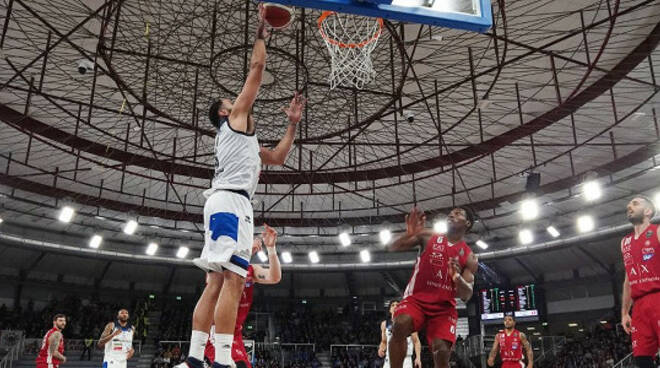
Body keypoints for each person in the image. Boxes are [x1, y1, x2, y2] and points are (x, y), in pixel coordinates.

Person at [179, 3, 304, 368]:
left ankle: (194, 358)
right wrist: (261, 34)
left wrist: (292, 124)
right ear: (223, 112)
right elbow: (257, 69)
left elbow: (278, 157)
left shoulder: (243, 139)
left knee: (218, 282)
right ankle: (218, 359)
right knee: (231, 280)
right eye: (230, 102)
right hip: (231, 203)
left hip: (229, 203)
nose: (236, 101)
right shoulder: (235, 121)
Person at [388, 207, 478, 368]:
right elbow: (392, 247)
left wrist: (457, 277)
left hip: (443, 308)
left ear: (468, 223)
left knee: (441, 351)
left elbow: (466, 295)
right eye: (451, 212)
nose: (452, 214)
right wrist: (409, 234)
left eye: (458, 213)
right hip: (416, 299)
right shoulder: (429, 236)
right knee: (400, 324)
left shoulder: (469, 257)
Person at [203, 225, 283, 368]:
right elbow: (214, 281)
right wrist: (248, 251)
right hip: (217, 329)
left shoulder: (251, 270)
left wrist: (271, 249)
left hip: (235, 332)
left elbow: (275, 277)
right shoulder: (218, 263)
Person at [620, 195, 660, 368]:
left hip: (658, 297)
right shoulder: (625, 242)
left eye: (635, 204)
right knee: (641, 358)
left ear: (648, 211)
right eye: (629, 204)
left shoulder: (657, 231)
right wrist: (624, 312)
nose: (630, 206)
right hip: (639, 307)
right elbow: (628, 280)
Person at [378, 300, 422, 368]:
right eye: (393, 305)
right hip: (389, 359)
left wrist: (418, 358)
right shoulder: (384, 324)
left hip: (405, 360)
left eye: (397, 305)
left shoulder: (410, 323)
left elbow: (416, 341)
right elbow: (384, 342)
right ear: (390, 310)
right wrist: (381, 349)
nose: (395, 306)